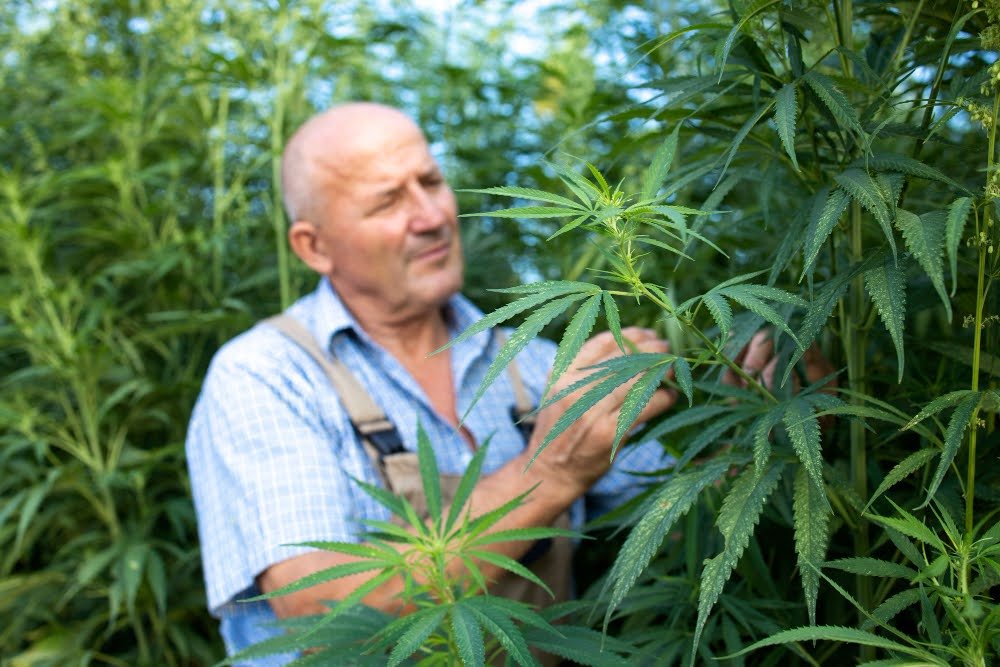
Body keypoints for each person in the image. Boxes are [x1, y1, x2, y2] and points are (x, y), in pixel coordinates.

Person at [185, 103, 797, 665]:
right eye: (386, 202)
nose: (430, 217)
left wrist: (766, 420)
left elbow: (689, 512)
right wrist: (547, 473)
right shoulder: (265, 376)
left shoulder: (534, 361)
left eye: (430, 182)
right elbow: (320, 611)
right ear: (313, 246)